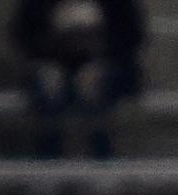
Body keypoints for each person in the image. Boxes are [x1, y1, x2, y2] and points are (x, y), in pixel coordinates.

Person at [12, 0, 144, 159]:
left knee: (99, 85)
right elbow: (24, 32)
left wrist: (102, 62)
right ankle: (49, 157)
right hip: (53, 64)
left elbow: (132, 34)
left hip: (108, 65)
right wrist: (48, 61)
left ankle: (101, 157)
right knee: (46, 84)